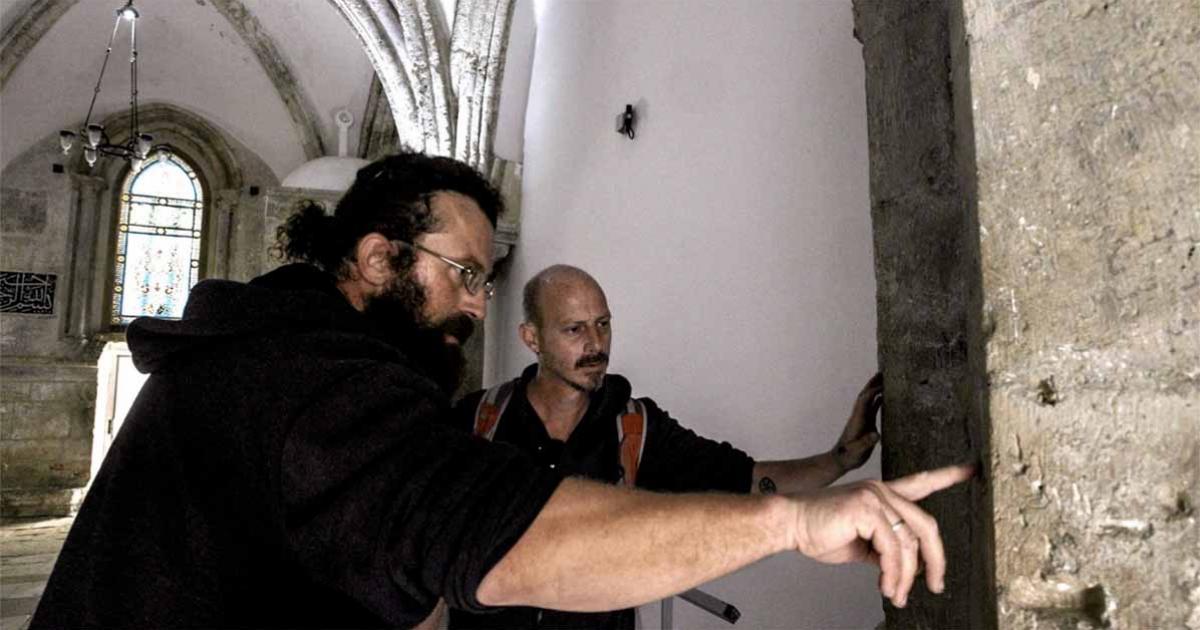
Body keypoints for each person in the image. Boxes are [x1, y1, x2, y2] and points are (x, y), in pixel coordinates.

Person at [31, 151, 972, 629]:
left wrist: (838, 464)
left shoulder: (272, 353)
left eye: (486, 280)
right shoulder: (317, 384)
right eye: (464, 274)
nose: (472, 305)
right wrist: (795, 529)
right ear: (376, 256)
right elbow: (493, 529)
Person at [446, 265, 883, 629]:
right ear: (532, 338)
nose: (595, 345)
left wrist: (838, 459)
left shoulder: (634, 427)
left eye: (603, 324)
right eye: (574, 330)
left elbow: (745, 479)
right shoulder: (479, 420)